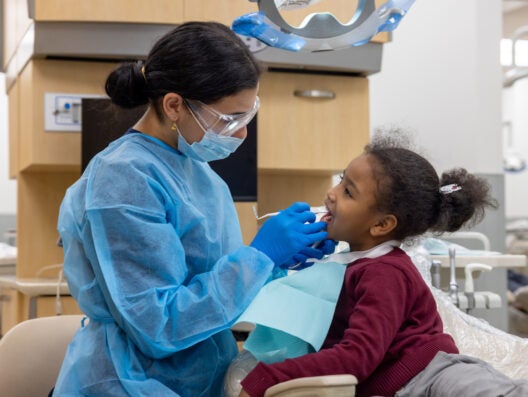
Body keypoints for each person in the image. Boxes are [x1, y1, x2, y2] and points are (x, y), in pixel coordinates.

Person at [52, 21, 334, 397]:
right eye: (230, 118)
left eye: (247, 117)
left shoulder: (198, 172)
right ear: (174, 105)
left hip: (196, 377)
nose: (241, 133)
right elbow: (158, 325)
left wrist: (274, 264)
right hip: (131, 382)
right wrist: (258, 256)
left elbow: (208, 285)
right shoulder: (122, 178)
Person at [238, 131, 528, 397]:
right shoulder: (355, 263)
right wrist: (278, 266)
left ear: (381, 225)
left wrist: (267, 378)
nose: (332, 193)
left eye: (348, 191)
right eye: (340, 181)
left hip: (438, 378)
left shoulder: (384, 272)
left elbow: (356, 357)